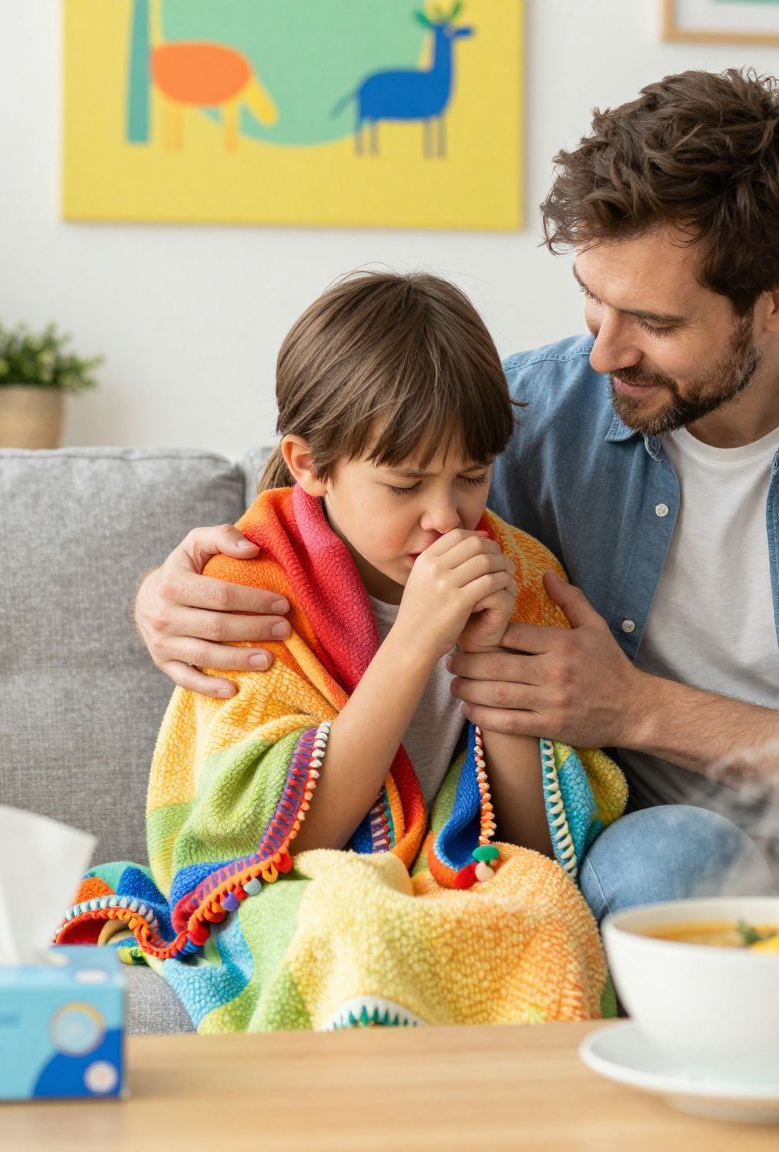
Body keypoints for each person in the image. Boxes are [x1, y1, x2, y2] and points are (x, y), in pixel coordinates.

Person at [134, 70, 779, 1003]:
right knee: (659, 862)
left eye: (654, 325)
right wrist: (172, 588)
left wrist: (637, 707)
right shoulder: (540, 409)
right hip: (664, 844)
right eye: (591, 302)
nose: (603, 352)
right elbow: (340, 478)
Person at [58, 271, 627, 1032]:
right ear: (308, 464)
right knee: (352, 912)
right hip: (285, 884)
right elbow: (278, 841)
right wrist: (417, 640)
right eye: (403, 485)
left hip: (450, 875)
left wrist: (498, 676)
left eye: (471, 477)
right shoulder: (251, 590)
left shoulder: (519, 573)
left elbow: (538, 850)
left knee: (549, 915)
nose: (446, 517)